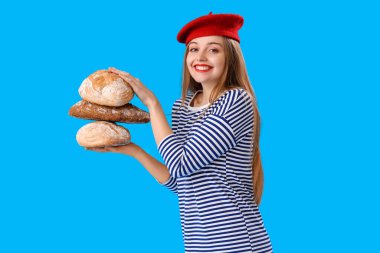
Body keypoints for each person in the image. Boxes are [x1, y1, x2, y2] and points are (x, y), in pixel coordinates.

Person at [87, 12, 273, 253]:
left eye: (213, 50)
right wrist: (134, 151)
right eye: (194, 49)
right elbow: (183, 181)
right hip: (198, 245)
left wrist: (151, 103)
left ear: (231, 57)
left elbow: (182, 164)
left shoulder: (236, 100)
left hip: (237, 242)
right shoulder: (183, 107)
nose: (200, 57)